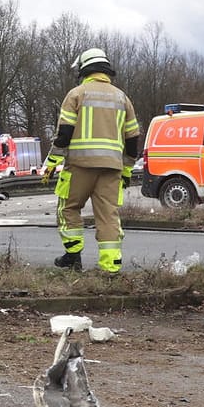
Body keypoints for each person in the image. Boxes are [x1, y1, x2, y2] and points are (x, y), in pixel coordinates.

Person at [42, 48, 139, 273]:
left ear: (84, 69)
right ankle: (111, 267)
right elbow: (133, 139)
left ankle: (73, 256)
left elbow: (64, 134)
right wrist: (126, 170)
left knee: (68, 208)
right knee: (108, 216)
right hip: (112, 169)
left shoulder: (77, 94)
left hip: (80, 166)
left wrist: (52, 164)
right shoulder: (122, 98)